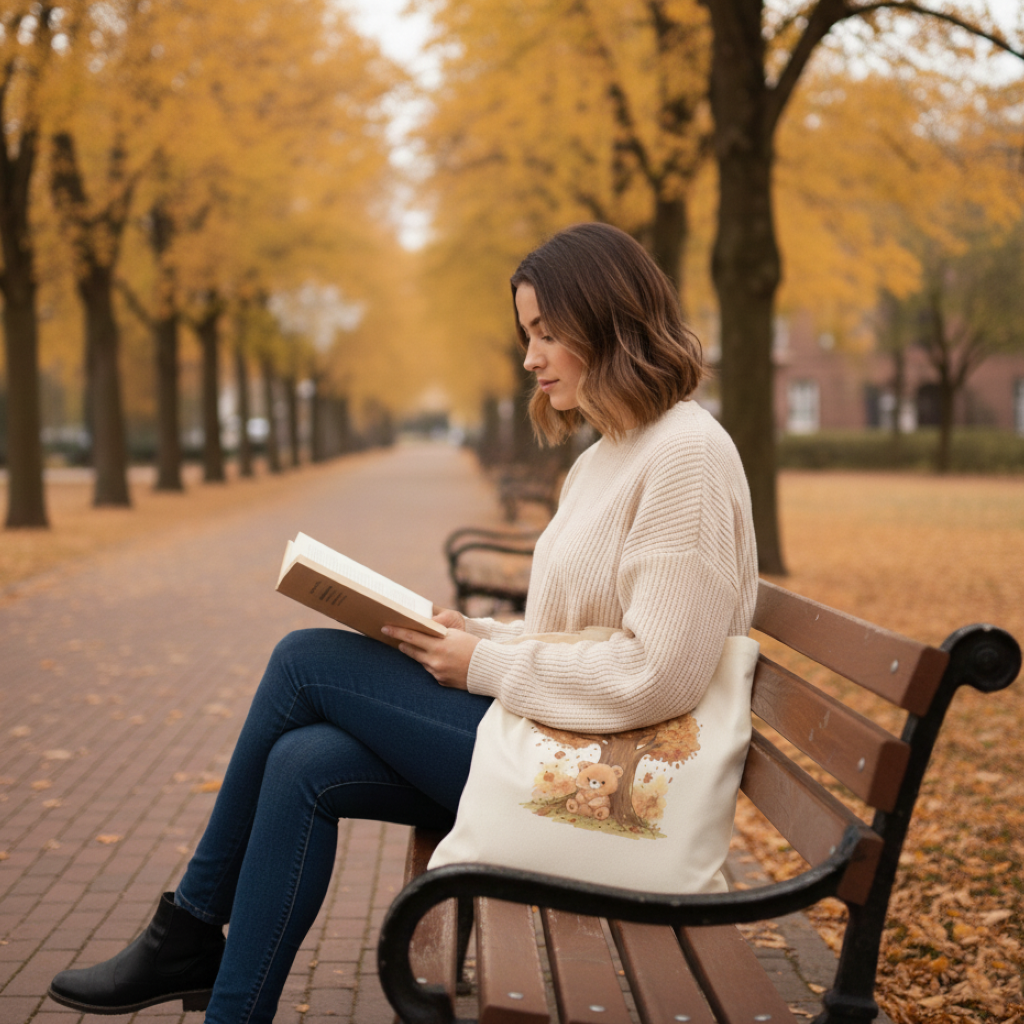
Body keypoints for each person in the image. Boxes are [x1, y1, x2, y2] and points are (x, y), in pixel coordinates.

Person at [48, 222, 757, 1023]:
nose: (530, 358)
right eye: (526, 336)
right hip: (561, 741)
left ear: (609, 320)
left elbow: (660, 673)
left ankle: (185, 929)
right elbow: (577, 630)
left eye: (546, 333)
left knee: (303, 662)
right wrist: (479, 635)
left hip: (620, 785)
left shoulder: (686, 456)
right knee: (302, 761)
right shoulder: (605, 454)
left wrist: (480, 666)